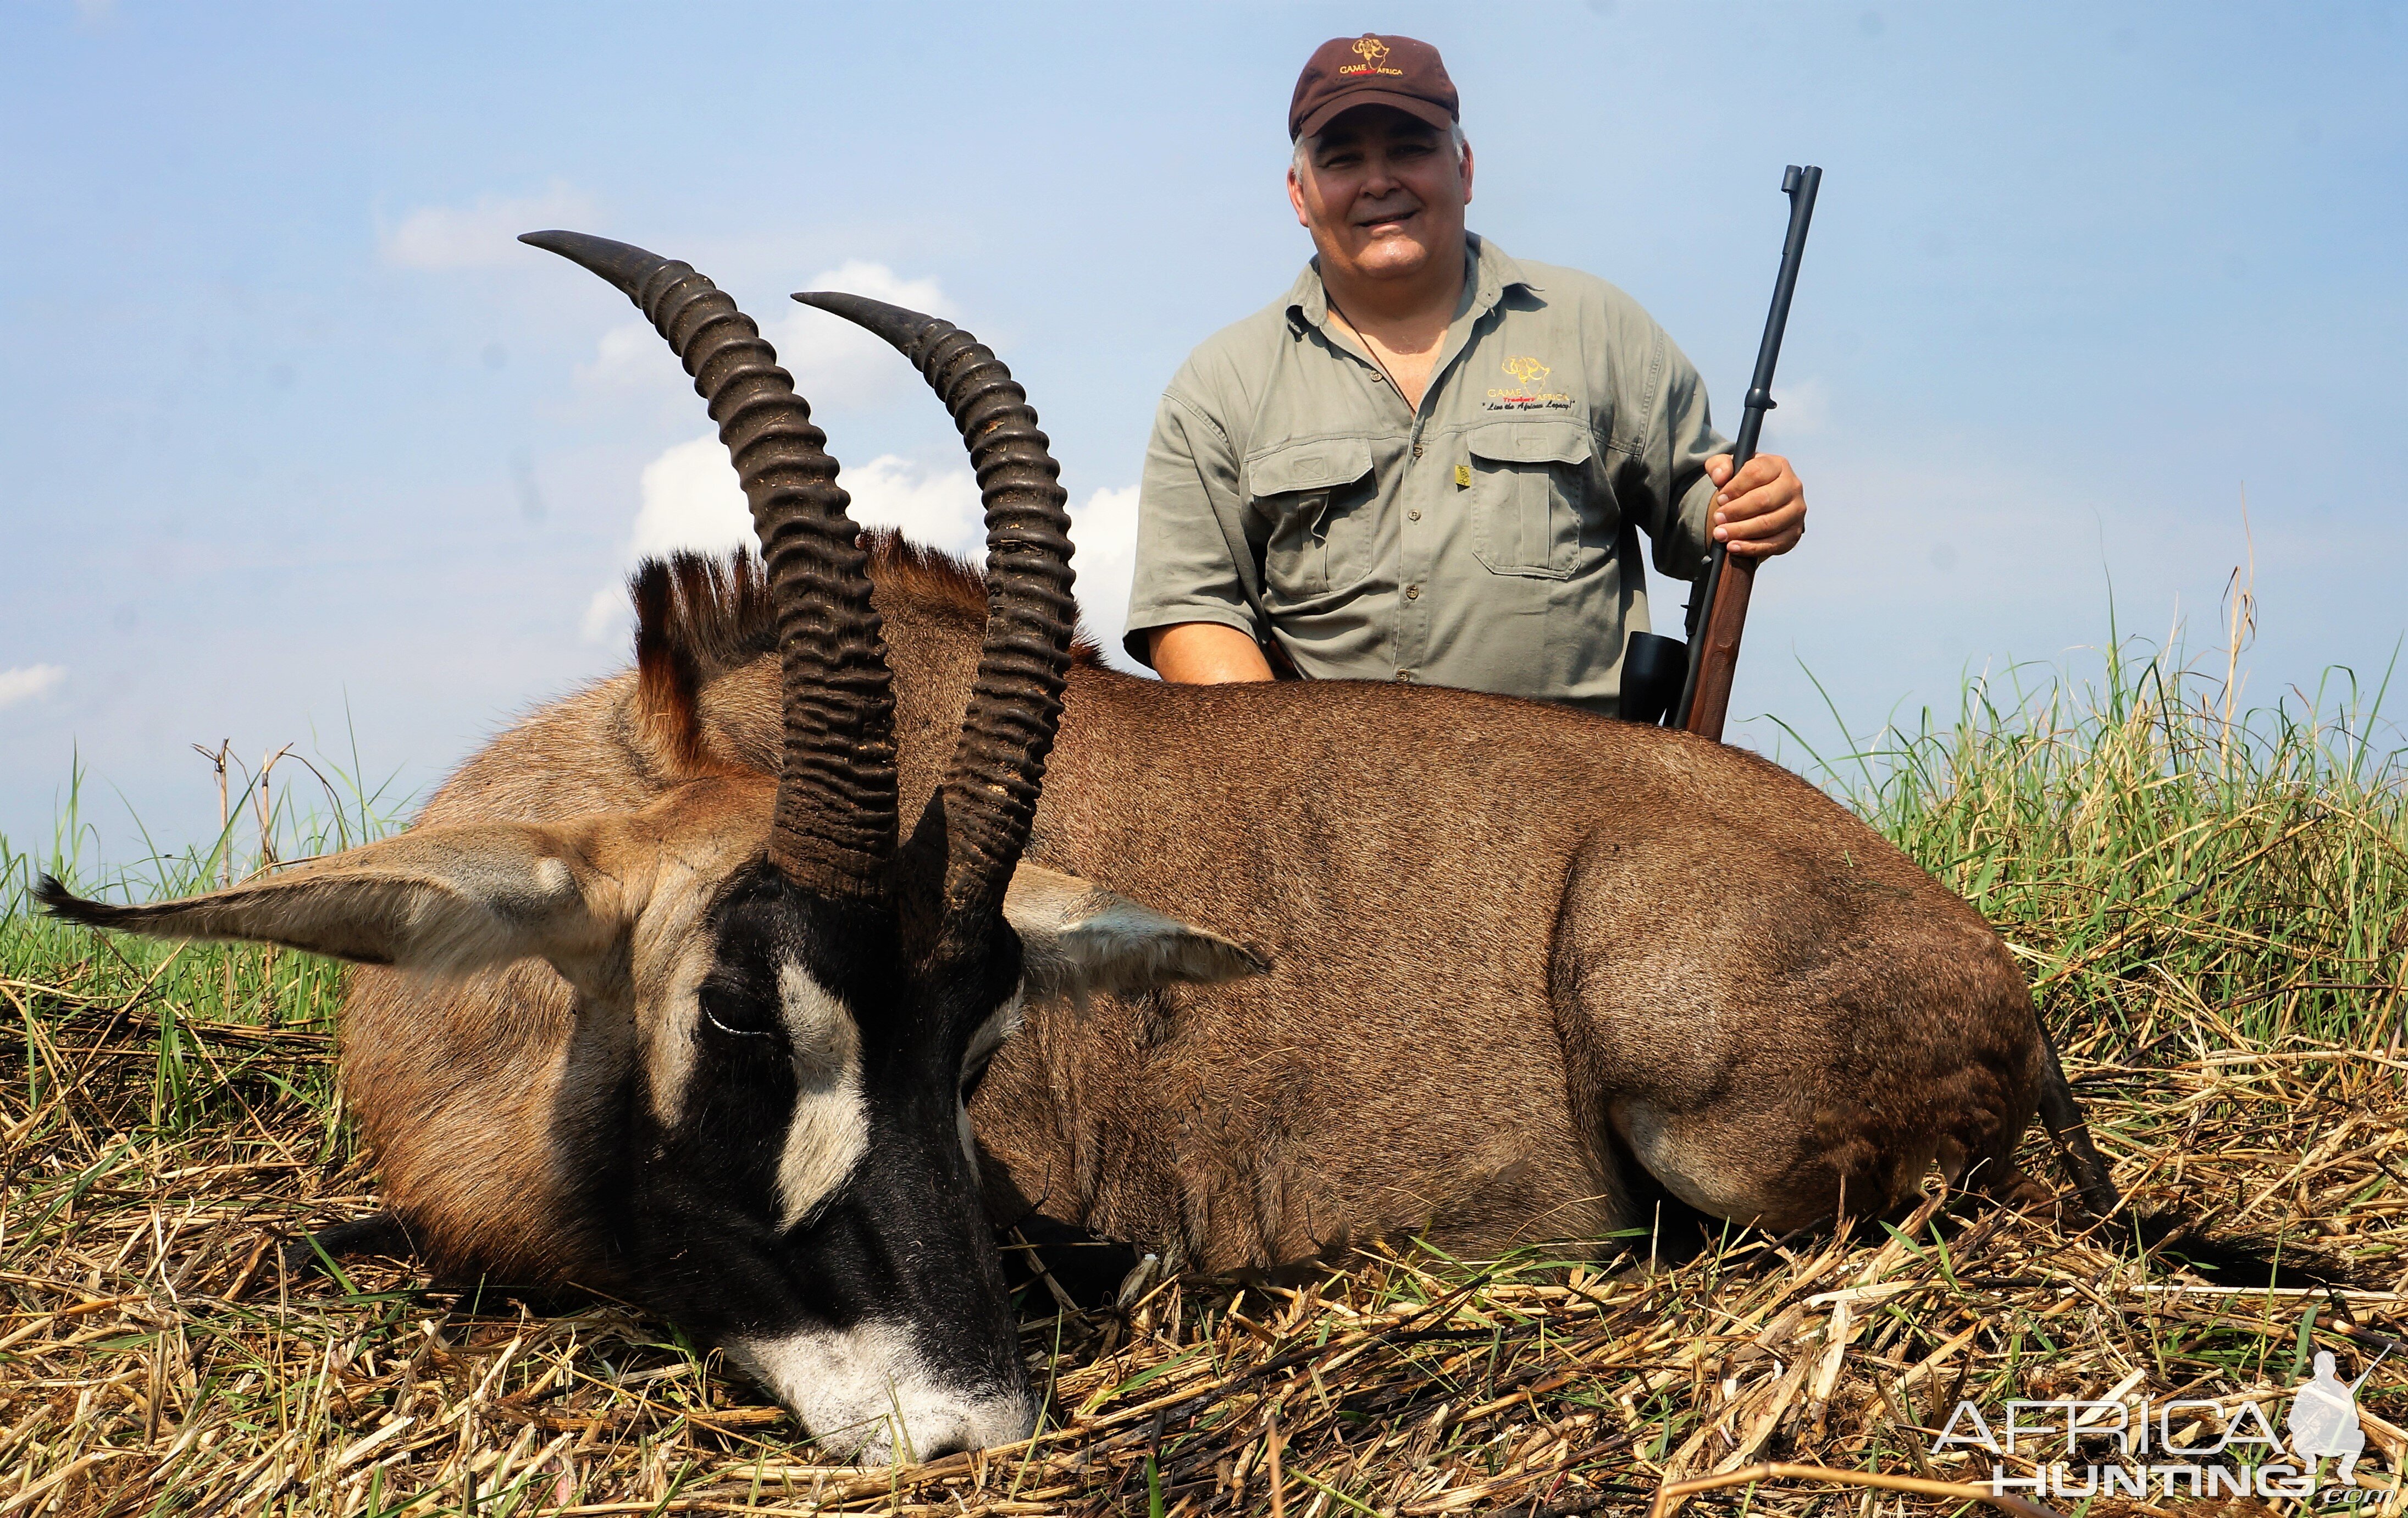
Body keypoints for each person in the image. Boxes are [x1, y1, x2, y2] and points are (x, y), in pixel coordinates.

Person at [1122, 32, 1808, 715]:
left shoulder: (1598, 328)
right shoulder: (1219, 387)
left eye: (1410, 149)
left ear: (1465, 168)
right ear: (1299, 194)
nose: (1379, 181)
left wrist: (1748, 506)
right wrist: (1284, 784)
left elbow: (1700, 508)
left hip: (1585, 801)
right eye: (1343, 160)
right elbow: (1189, 607)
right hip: (1334, 811)